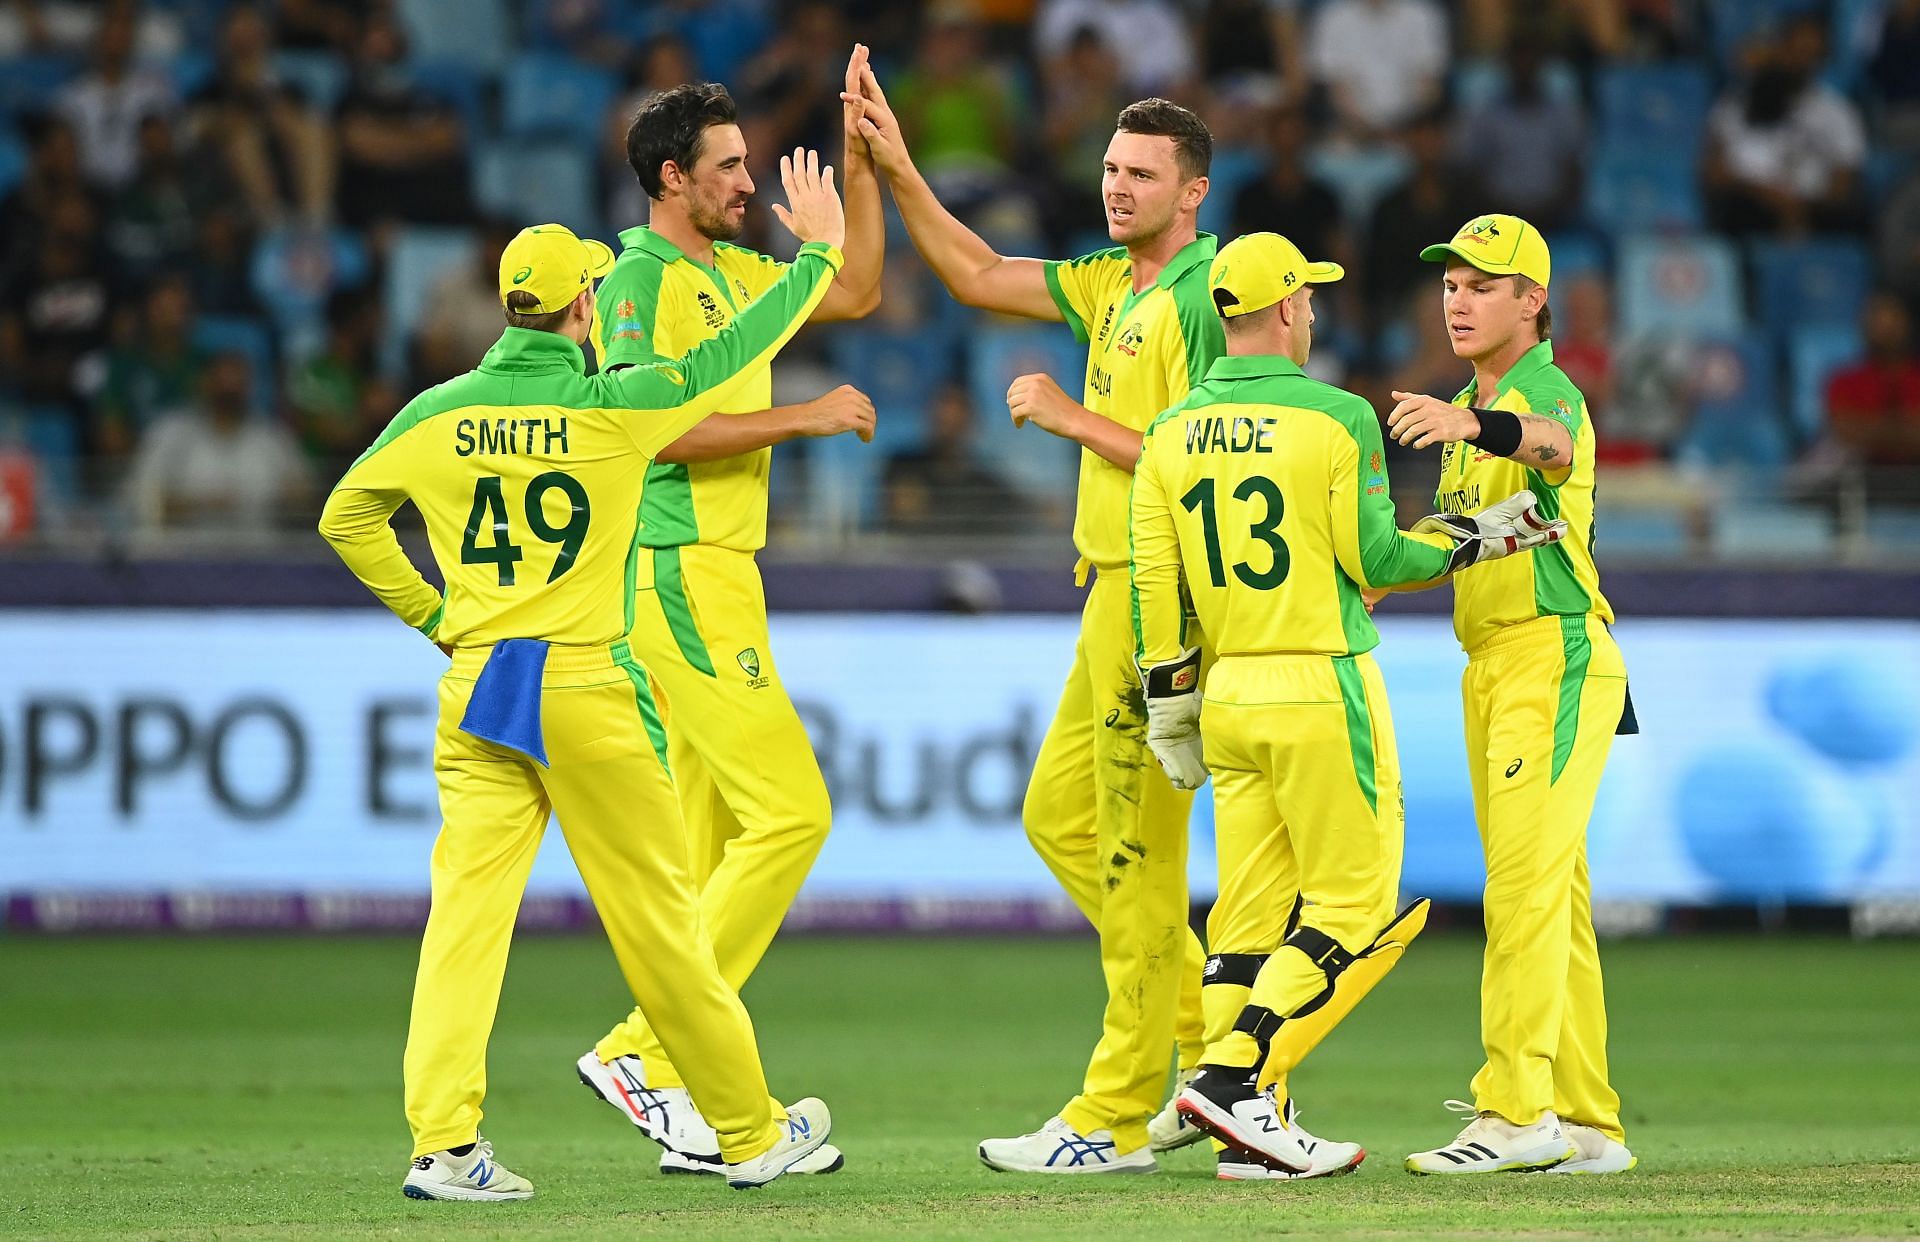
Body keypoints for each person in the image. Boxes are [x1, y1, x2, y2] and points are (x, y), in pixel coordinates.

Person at [316, 154, 847, 1200]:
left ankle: (444, 1146)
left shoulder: (437, 412)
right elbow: (737, 347)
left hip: (479, 686)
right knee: (659, 924)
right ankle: (745, 1131)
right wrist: (817, 259)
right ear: (586, 304)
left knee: (464, 921)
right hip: (582, 687)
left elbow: (346, 517)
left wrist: (437, 617)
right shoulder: (617, 407)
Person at [845, 65, 1220, 1172]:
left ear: (1192, 193)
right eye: (1110, 168)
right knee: (1064, 823)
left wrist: (1071, 417)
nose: (1117, 187)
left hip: (1163, 602)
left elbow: (1210, 458)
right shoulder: (1112, 284)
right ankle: (1210, 1059)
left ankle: (1114, 1117)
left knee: (1133, 858)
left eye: (1142, 174)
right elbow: (973, 270)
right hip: (1110, 592)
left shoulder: (1203, 301)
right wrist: (898, 164)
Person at [1131, 232, 1561, 1179]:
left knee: (1243, 916)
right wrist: (1483, 537)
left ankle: (1240, 1121)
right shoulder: (1337, 418)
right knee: (1355, 907)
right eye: (1310, 299)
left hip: (1229, 691)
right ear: (1287, 309)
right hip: (1321, 678)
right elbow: (1379, 561)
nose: (1315, 312)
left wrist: (1170, 702)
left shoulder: (1166, 433)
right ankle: (1235, 1080)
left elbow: (1155, 589)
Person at [573, 56, 882, 1179]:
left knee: (706, 853)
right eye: (729, 166)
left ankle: (689, 1099)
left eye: (749, 162)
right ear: (670, 177)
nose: (748, 180)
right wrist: (800, 418)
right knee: (792, 817)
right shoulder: (639, 281)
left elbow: (847, 292)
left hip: (720, 572)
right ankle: (640, 1051)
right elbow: (643, 430)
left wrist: (861, 171)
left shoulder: (729, 271)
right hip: (675, 569)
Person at [1382, 213, 1637, 1176]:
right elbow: (1468, 531)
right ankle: (1586, 1125)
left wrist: (1471, 423)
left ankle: (1514, 1112)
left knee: (1523, 892)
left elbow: (1552, 451)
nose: (1458, 297)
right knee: (1553, 897)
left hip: (1555, 657)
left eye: (1482, 284)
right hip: (1493, 664)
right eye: (1450, 281)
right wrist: (1376, 571)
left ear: (1533, 301)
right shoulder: (1468, 403)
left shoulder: (1539, 392)